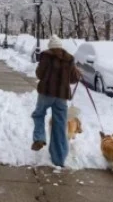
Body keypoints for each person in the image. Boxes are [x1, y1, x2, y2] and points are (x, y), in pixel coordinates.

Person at [31, 35, 80, 167]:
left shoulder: (46, 56)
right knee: (60, 124)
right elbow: (74, 79)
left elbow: (39, 74)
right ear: (60, 46)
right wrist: (77, 72)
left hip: (46, 93)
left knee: (39, 114)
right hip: (61, 96)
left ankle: (40, 138)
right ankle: (59, 158)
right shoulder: (69, 59)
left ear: (50, 47)